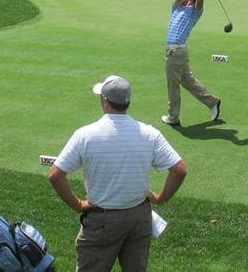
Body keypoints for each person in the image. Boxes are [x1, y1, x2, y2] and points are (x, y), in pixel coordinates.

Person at [49, 75, 187, 272]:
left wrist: (78, 204)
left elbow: (55, 175)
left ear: (105, 101)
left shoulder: (85, 135)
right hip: (139, 218)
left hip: (101, 220)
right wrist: (160, 199)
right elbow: (179, 169)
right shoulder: (150, 133)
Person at [162, 0, 222, 126]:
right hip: (176, 52)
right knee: (188, 82)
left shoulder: (194, 12)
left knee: (173, 86)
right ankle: (212, 102)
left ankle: (173, 117)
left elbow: (200, 0)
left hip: (176, 52)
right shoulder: (176, 8)